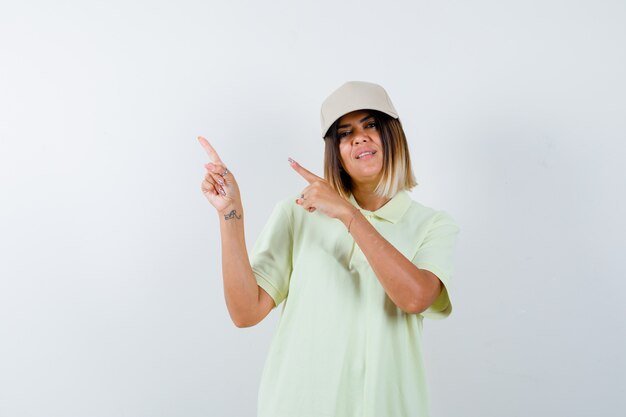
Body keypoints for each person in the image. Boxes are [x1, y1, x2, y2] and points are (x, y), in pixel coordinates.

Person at [198, 81, 460, 417]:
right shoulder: (296, 213)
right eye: (344, 133)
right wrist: (230, 215)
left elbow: (415, 298)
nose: (360, 138)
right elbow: (246, 313)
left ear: (394, 136)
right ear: (334, 152)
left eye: (371, 125)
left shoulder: (433, 225)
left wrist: (348, 214)